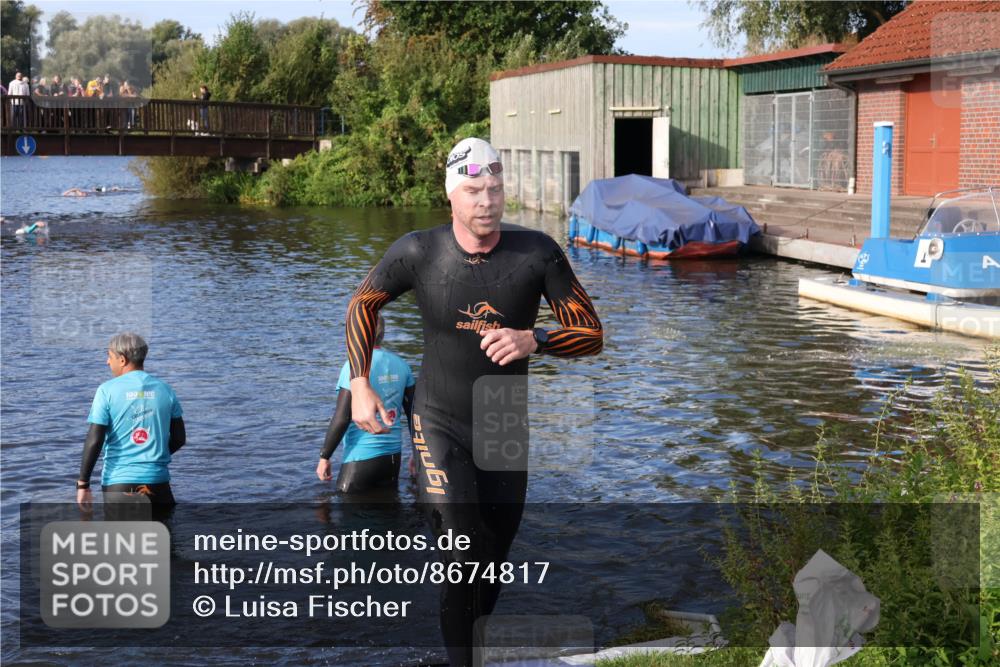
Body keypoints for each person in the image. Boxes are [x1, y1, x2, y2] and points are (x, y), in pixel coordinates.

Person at [344, 137, 603, 666]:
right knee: (460, 548)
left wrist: (538, 339)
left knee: (493, 555)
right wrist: (360, 383)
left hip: (504, 419)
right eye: (474, 189)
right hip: (438, 417)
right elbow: (363, 304)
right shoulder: (419, 251)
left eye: (496, 187)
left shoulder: (536, 253)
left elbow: (592, 332)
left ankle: (469, 651)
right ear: (451, 195)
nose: (487, 200)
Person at [77, 333, 186, 512]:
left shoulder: (106, 391)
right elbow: (179, 439)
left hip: (119, 484)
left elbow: (95, 440)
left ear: (122, 360)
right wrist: (154, 456)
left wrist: (83, 484)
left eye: (109, 356)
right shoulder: (165, 390)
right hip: (158, 483)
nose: (107, 362)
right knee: (165, 539)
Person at [316, 314, 415, 493]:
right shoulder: (402, 365)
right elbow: (414, 416)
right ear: (382, 334)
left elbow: (342, 417)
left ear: (357, 335)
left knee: (350, 515)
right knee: (388, 514)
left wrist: (325, 457)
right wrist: (417, 453)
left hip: (360, 459)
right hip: (393, 458)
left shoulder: (353, 367)